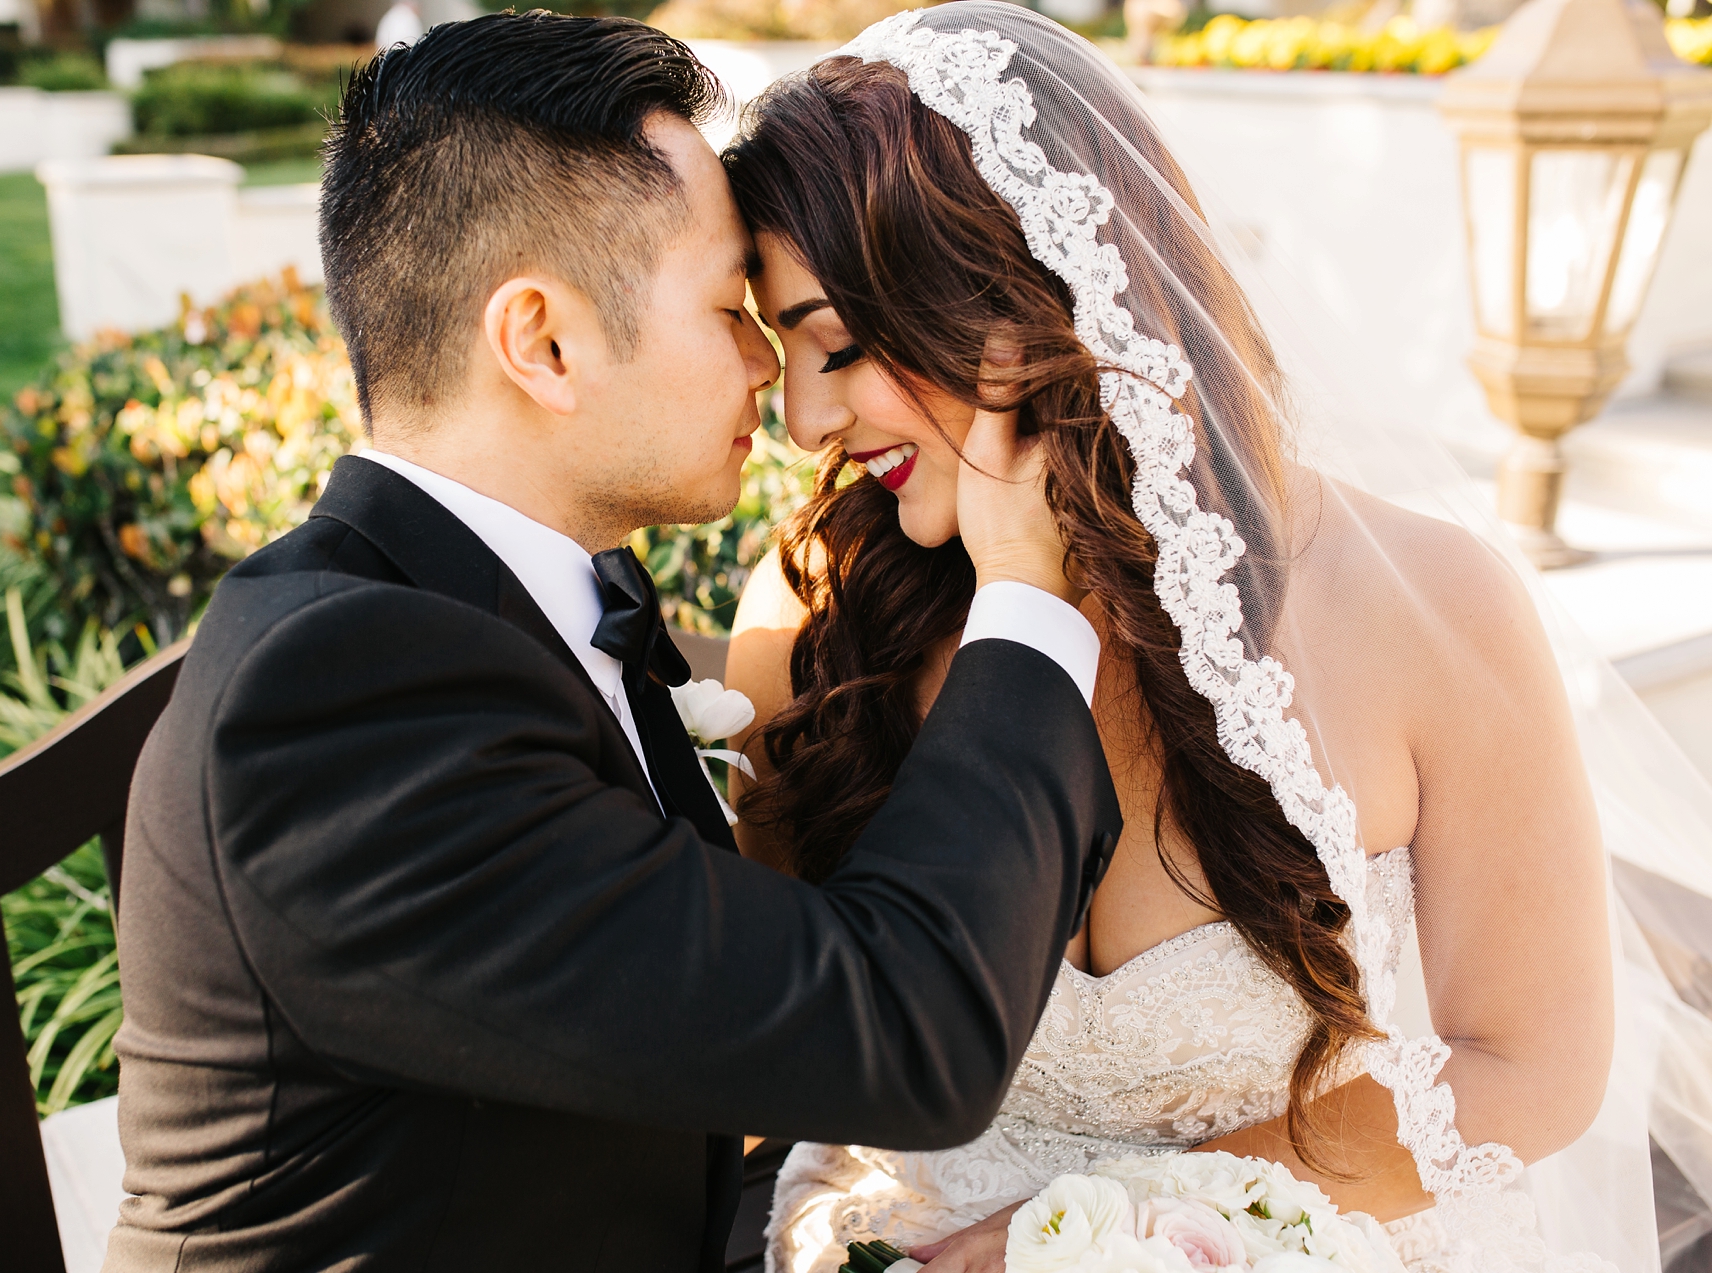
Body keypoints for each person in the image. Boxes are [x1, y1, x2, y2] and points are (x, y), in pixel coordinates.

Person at [101, 12, 1123, 1272]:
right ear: (542, 342)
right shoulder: (336, 706)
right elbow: (906, 1031)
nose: (771, 376)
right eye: (724, 306)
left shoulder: (503, 611)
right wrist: (1026, 595)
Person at [719, 6, 1666, 1270]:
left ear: (1012, 292)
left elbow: (1530, 1061)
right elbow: (777, 1038)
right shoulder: (815, 619)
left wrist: (1077, 1240)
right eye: (785, 351)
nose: (802, 417)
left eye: (835, 344)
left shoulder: (1430, 602)